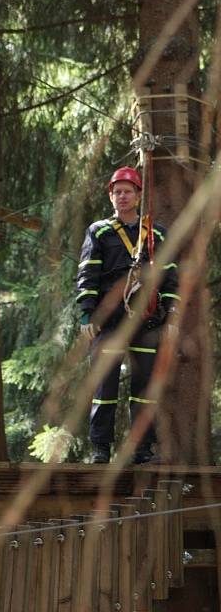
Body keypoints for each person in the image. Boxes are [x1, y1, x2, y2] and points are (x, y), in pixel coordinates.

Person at [76, 167, 180, 464]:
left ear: (138, 196)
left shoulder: (156, 234)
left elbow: (170, 277)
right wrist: (86, 314)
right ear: (111, 196)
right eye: (117, 192)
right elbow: (88, 272)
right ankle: (100, 449)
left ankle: (142, 449)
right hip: (108, 321)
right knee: (104, 386)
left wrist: (171, 316)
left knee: (145, 390)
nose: (122, 197)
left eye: (127, 191)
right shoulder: (99, 231)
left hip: (147, 322)